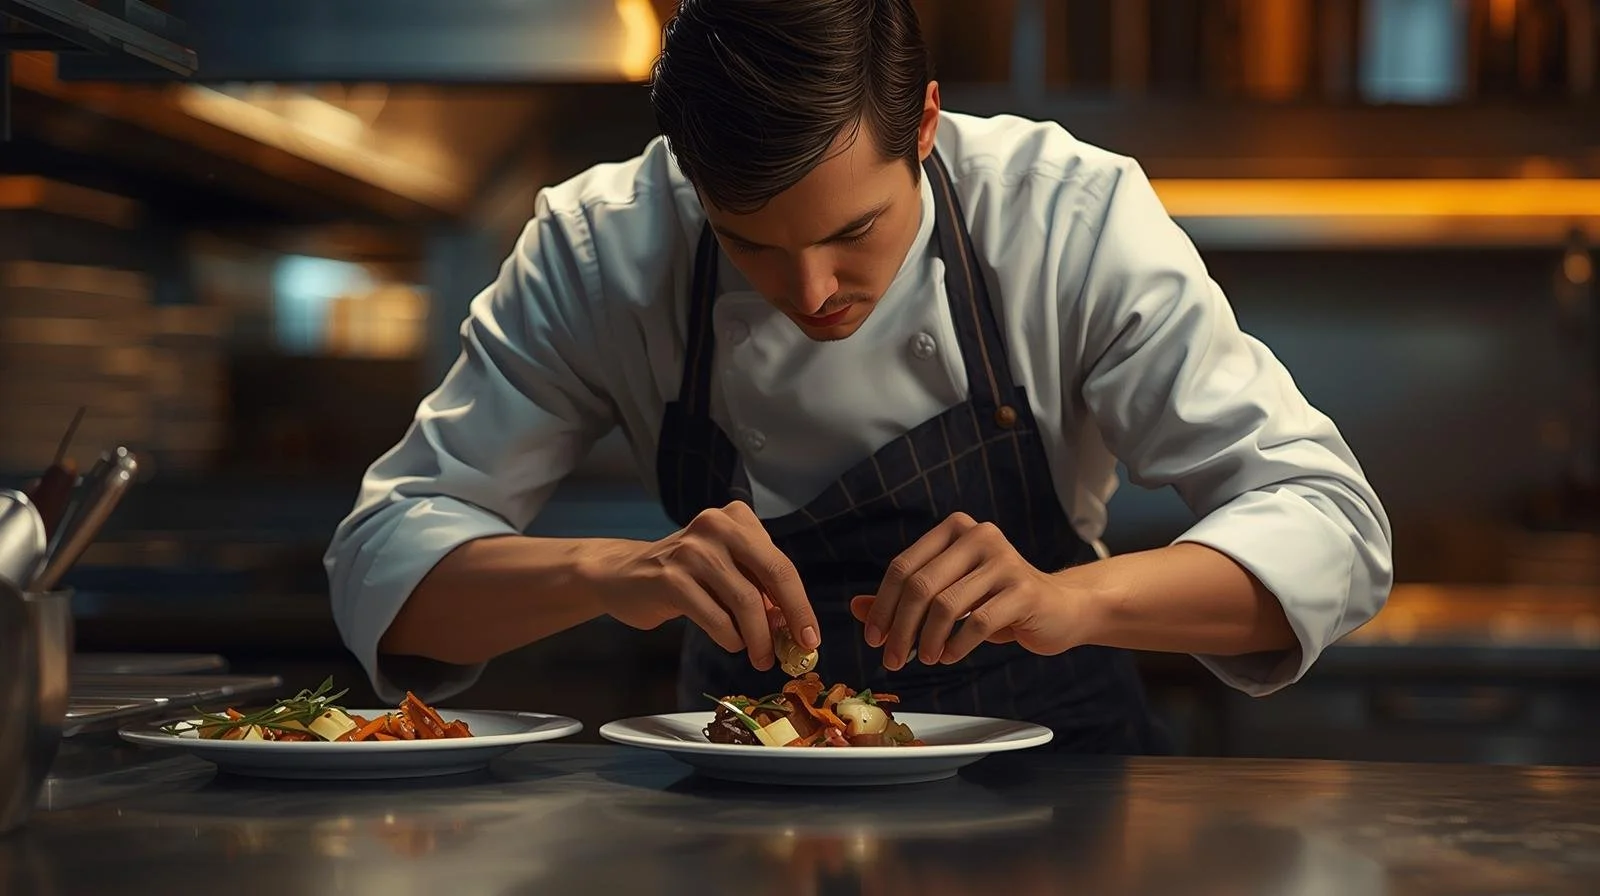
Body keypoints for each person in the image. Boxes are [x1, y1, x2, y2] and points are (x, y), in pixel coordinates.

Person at [324, 0, 1393, 754]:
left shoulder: (1065, 214)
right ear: (689, 181)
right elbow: (382, 562)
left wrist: (1071, 598)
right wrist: (611, 572)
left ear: (923, 125)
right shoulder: (601, 244)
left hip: (1059, 792)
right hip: (738, 799)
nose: (811, 289)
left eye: (853, 231)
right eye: (749, 243)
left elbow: (1329, 524)